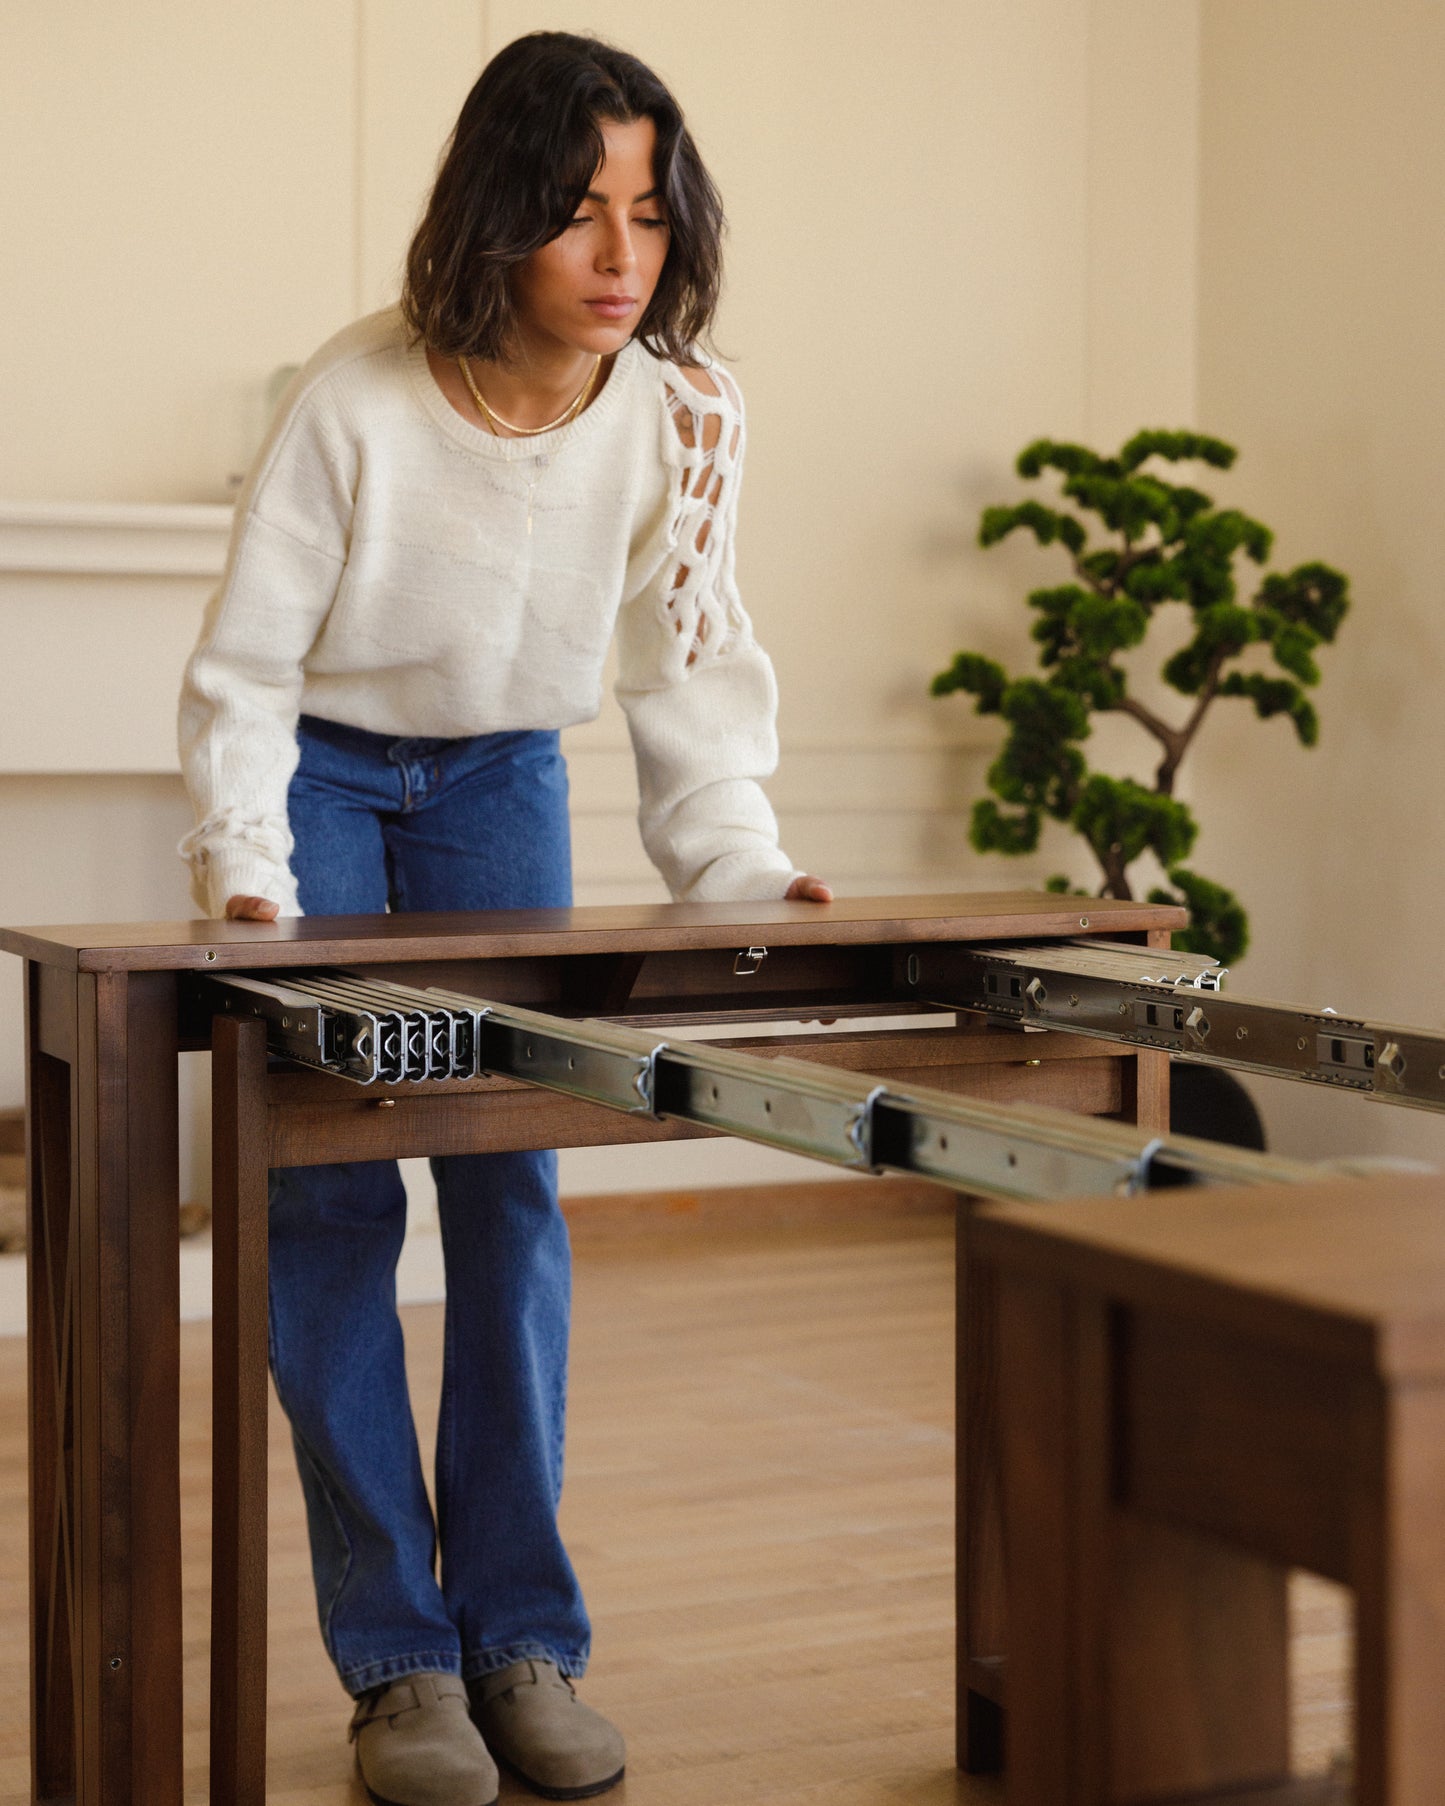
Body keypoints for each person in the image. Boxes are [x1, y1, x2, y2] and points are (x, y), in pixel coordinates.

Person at [178, 30, 830, 1806]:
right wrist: (249, 861)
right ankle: (397, 1664)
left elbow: (687, 660)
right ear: (493, 222)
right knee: (326, 1204)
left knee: (510, 1187)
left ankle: (520, 1637)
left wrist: (741, 868)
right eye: (574, 215)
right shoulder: (357, 398)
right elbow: (241, 670)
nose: (621, 257)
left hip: (498, 785)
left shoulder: (683, 413)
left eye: (647, 213)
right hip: (318, 773)